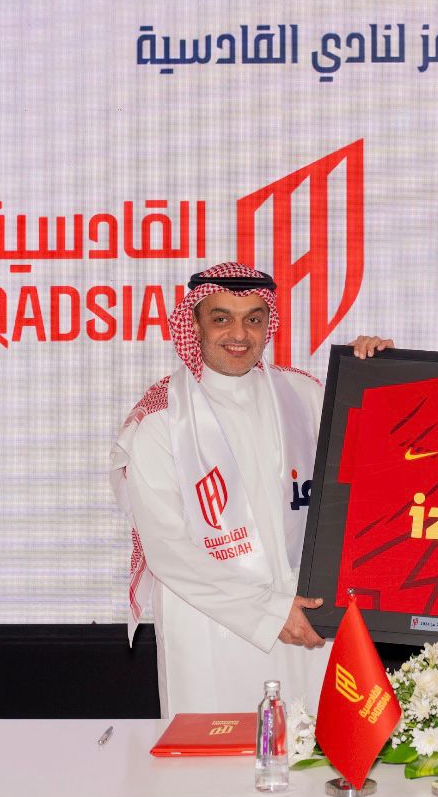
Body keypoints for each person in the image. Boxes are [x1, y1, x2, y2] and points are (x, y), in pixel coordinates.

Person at [110, 261, 390, 717]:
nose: (239, 334)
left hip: (307, 621)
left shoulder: (304, 394)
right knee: (219, 756)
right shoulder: (161, 420)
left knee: (312, 747)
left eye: (253, 319)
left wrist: (382, 376)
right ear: (195, 324)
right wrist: (268, 613)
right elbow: (168, 551)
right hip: (213, 628)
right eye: (221, 318)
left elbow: (376, 469)